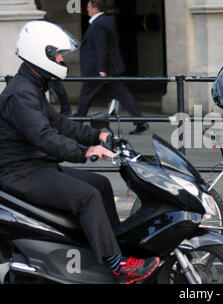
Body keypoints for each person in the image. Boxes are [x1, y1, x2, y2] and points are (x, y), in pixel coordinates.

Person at [0, 20, 159, 284]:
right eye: (58, 54)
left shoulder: (33, 87)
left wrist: (98, 135)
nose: (62, 59)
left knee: (101, 184)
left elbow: (60, 124)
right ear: (42, 53)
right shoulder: (21, 94)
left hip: (35, 166)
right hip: (20, 172)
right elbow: (43, 137)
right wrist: (86, 151)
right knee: (86, 196)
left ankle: (114, 247)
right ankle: (117, 265)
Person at [74, 0, 149, 135]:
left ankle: (76, 123)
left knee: (86, 95)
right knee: (123, 95)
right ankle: (140, 122)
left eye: (89, 7)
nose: (87, 10)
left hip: (100, 70)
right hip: (107, 69)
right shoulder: (104, 22)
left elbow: (101, 47)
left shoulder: (99, 24)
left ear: (95, 9)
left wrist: (101, 70)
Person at [35, 0, 72, 115]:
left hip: (48, 58)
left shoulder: (41, 23)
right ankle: (64, 109)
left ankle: (65, 109)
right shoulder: (45, 22)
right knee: (52, 84)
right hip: (47, 57)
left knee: (54, 84)